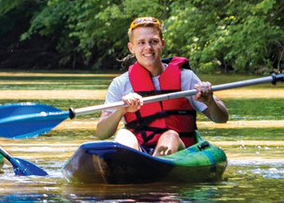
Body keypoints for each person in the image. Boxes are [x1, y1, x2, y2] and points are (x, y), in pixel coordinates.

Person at [96, 16, 228, 155]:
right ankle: (134, 163)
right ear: (131, 48)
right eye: (141, 43)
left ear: (162, 44)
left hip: (181, 151)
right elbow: (102, 133)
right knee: (123, 135)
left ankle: (156, 163)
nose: (148, 48)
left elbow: (221, 118)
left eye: (154, 41)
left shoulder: (186, 77)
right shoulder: (120, 84)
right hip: (140, 152)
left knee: (170, 135)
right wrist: (120, 110)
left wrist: (210, 101)